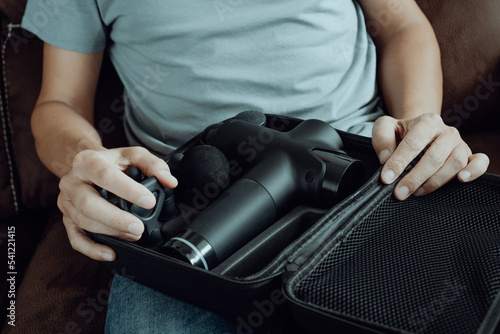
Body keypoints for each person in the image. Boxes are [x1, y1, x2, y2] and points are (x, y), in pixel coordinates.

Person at [22, 0, 489, 333]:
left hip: (362, 168)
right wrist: (84, 160)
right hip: (190, 192)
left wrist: (418, 123)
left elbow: (401, 23)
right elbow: (59, 102)